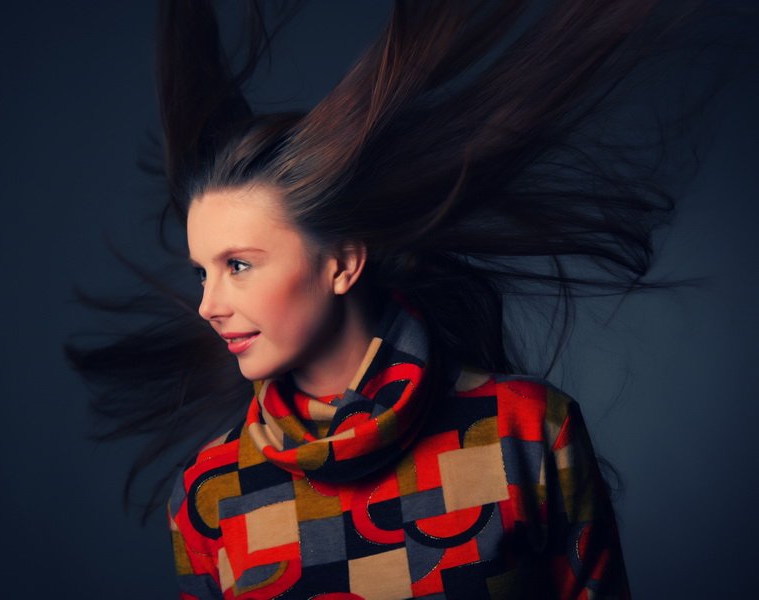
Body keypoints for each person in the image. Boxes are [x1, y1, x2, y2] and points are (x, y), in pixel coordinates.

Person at [65, 0, 720, 597]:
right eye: (202, 273)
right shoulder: (210, 492)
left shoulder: (525, 431)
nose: (208, 304)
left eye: (238, 265)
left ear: (343, 263)